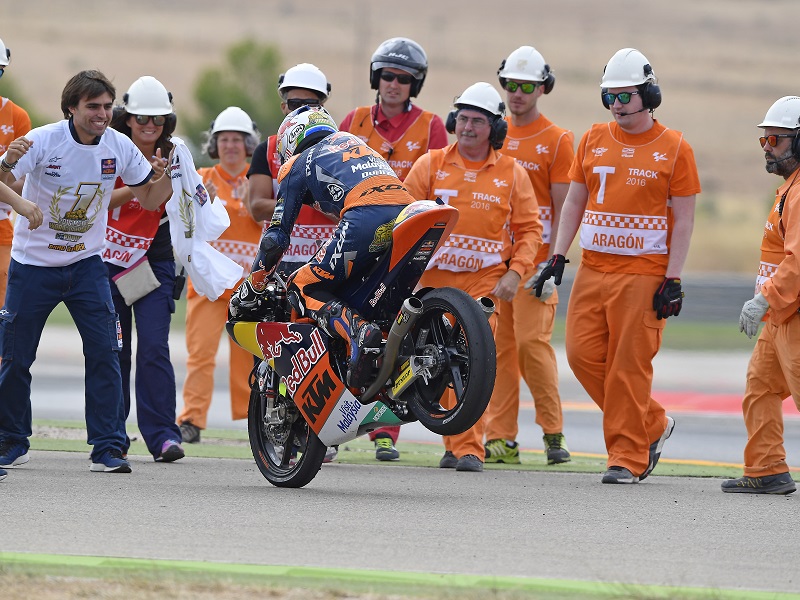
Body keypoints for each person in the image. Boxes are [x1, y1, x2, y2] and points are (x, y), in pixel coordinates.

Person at [534, 48, 700, 484]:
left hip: (644, 272)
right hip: (593, 268)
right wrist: (557, 254)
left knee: (629, 367)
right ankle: (653, 424)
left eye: (625, 96)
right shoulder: (591, 138)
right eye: (609, 98)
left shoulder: (676, 147)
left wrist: (674, 277)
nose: (617, 106)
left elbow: (684, 218)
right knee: (582, 355)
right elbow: (574, 201)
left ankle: (627, 457)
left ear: (649, 94)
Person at [0, 69, 174, 474]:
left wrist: (167, 177)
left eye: (107, 106)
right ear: (71, 108)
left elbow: (149, 200)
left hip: (87, 266)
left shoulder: (119, 145)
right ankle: (11, 440)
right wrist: (22, 204)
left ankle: (108, 448)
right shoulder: (44, 139)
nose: (102, 114)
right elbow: (1, 177)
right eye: (93, 106)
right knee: (14, 358)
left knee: (106, 353)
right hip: (33, 267)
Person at [404, 82, 542, 473]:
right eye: (462, 118)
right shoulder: (429, 164)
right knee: (436, 360)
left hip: (484, 283)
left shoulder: (513, 173)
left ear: (494, 128)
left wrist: (516, 273)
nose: (467, 127)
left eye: (477, 121)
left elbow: (530, 230)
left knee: (473, 359)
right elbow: (401, 213)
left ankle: (468, 448)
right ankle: (452, 442)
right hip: (433, 285)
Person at [229, 106, 415, 394]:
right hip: (407, 213)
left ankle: (359, 333)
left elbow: (275, 238)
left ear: (289, 140)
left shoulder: (296, 164)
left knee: (302, 285)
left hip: (365, 216)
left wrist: (254, 284)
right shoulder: (355, 142)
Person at [339, 37, 449, 461]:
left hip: (408, 241)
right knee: (348, 323)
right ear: (375, 78)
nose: (394, 84)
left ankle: (385, 427)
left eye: (404, 79)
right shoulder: (355, 121)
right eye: (387, 75)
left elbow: (442, 181)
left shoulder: (432, 127)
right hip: (363, 236)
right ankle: (330, 421)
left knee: (396, 331)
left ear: (414, 85)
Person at [483, 46, 574, 466]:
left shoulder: (557, 141)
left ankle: (553, 433)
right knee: (498, 350)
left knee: (531, 346)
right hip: (496, 265)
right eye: (510, 85)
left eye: (526, 86)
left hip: (535, 265)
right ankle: (502, 437)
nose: (517, 93)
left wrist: (555, 262)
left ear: (543, 88)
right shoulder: (493, 132)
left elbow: (563, 206)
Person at [247, 63, 340, 463]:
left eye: (310, 102)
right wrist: (303, 195)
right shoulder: (268, 147)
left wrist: (301, 195)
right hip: (282, 260)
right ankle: (276, 423)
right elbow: (256, 205)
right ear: (282, 103)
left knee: (326, 348)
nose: (300, 108)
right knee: (273, 350)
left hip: (325, 260)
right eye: (294, 102)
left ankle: (325, 427)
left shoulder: (335, 144)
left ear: (322, 104)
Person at [721, 97, 800, 495]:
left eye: (775, 139)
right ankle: (767, 468)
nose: (767, 147)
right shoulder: (788, 189)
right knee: (760, 386)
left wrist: (763, 298)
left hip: (792, 314)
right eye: (763, 140)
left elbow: (799, 259)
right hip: (781, 315)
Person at [105, 76, 184, 462]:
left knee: (154, 348)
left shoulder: (176, 152)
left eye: (158, 118)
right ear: (128, 117)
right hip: (110, 260)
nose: (150, 125)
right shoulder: (110, 147)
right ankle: (112, 434)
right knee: (114, 350)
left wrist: (201, 193)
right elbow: (98, 197)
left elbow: (190, 197)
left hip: (155, 261)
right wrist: (144, 182)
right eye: (141, 118)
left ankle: (164, 437)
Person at [177, 107, 262, 444]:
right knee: (200, 354)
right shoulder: (201, 175)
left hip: (247, 286)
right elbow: (183, 217)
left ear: (248, 144)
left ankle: (253, 419)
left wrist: (253, 203)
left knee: (249, 359)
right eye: (224, 139)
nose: (230, 146)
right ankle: (192, 420)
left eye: (237, 140)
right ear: (214, 143)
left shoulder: (258, 181)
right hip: (208, 284)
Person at [0, 36, 32, 311]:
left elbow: (23, 179)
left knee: (4, 306)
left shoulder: (17, 116)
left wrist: (8, 167)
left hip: (2, 222)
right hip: (11, 207)